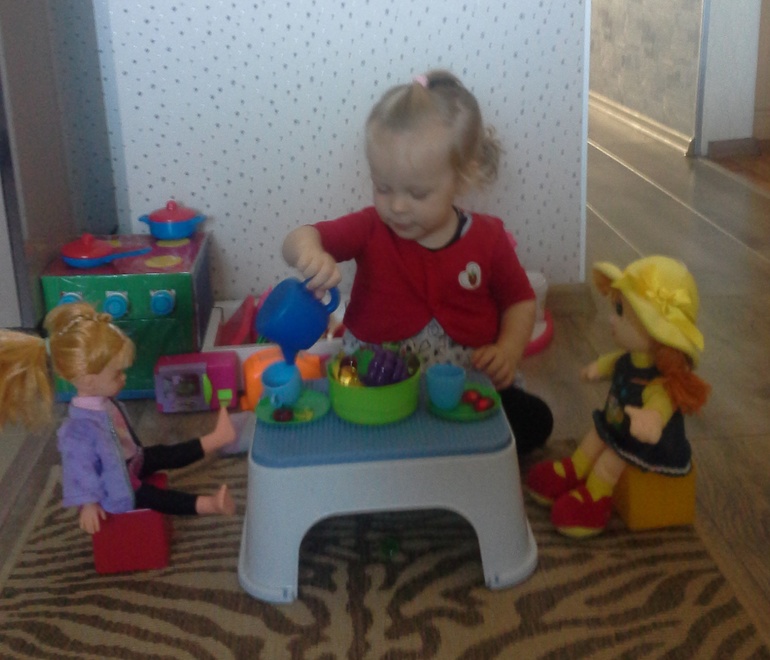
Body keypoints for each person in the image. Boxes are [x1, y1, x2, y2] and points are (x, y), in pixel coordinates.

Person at [282, 69, 553, 454]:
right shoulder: (370, 227)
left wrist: (508, 351)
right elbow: (298, 237)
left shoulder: (489, 237)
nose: (396, 206)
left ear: (462, 180)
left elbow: (520, 301)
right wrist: (309, 253)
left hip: (464, 381)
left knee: (535, 421)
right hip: (377, 385)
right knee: (349, 431)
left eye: (418, 193)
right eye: (383, 187)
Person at [0, 302, 237, 534]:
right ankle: (210, 504)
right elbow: (79, 471)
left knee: (165, 453)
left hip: (131, 461)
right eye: (116, 374)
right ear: (89, 381)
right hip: (116, 487)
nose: (123, 378)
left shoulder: (103, 402)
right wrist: (89, 503)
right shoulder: (78, 429)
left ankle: (217, 438)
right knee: (155, 497)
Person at [525, 256, 711, 537]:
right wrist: (597, 368)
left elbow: (661, 403)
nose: (613, 318)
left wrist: (652, 418)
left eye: (622, 312)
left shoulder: (659, 382)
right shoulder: (630, 359)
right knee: (595, 436)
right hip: (618, 424)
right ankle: (575, 468)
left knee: (610, 461)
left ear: (657, 333)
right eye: (617, 308)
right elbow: (612, 362)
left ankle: (595, 498)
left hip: (647, 446)